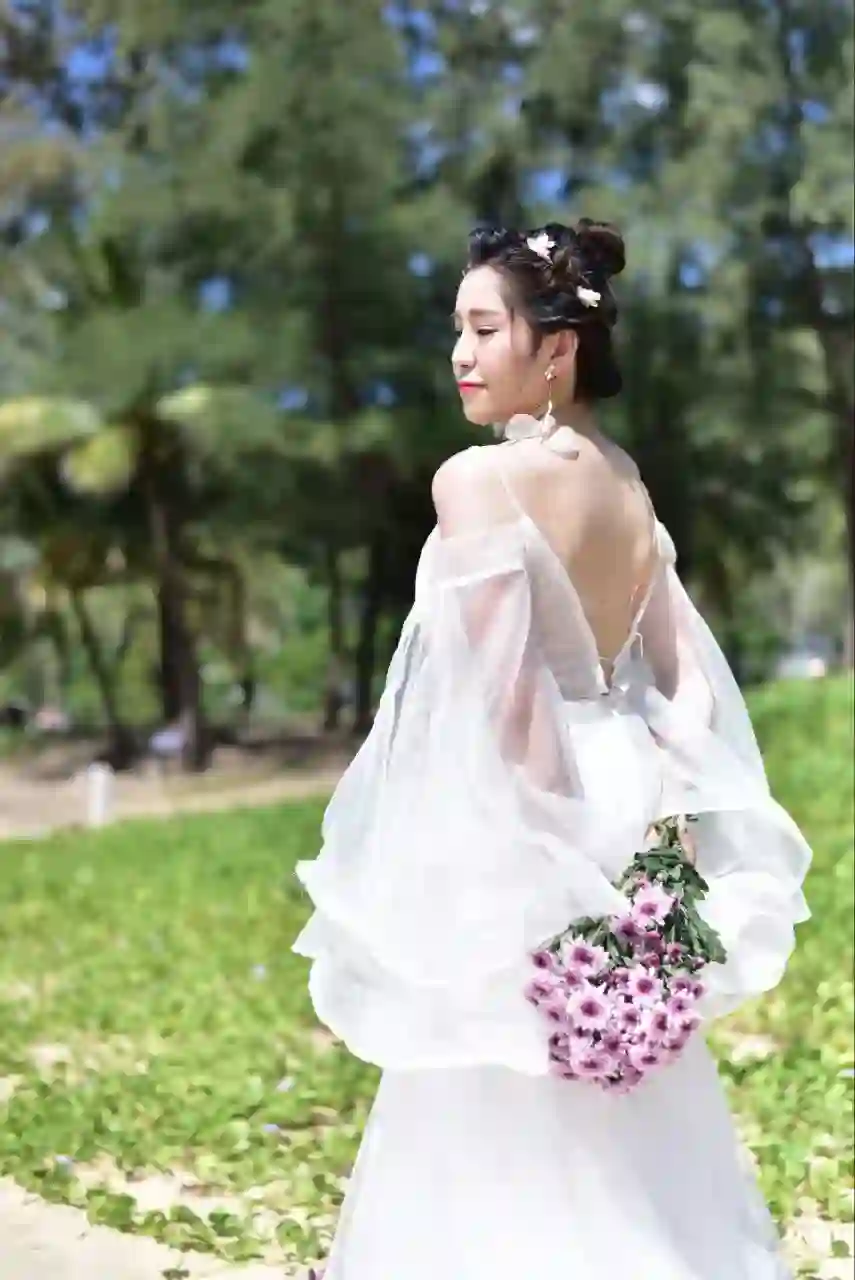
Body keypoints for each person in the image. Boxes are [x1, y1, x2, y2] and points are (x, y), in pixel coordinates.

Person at [292, 219, 811, 1279]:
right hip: (630, 780)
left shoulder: (477, 483)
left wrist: (549, 853)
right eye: (458, 330)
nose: (460, 353)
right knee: (622, 1068)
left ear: (557, 348)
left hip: (531, 793)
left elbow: (510, 694)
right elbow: (685, 675)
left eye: (485, 329)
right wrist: (665, 823)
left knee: (498, 1071)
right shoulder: (627, 483)